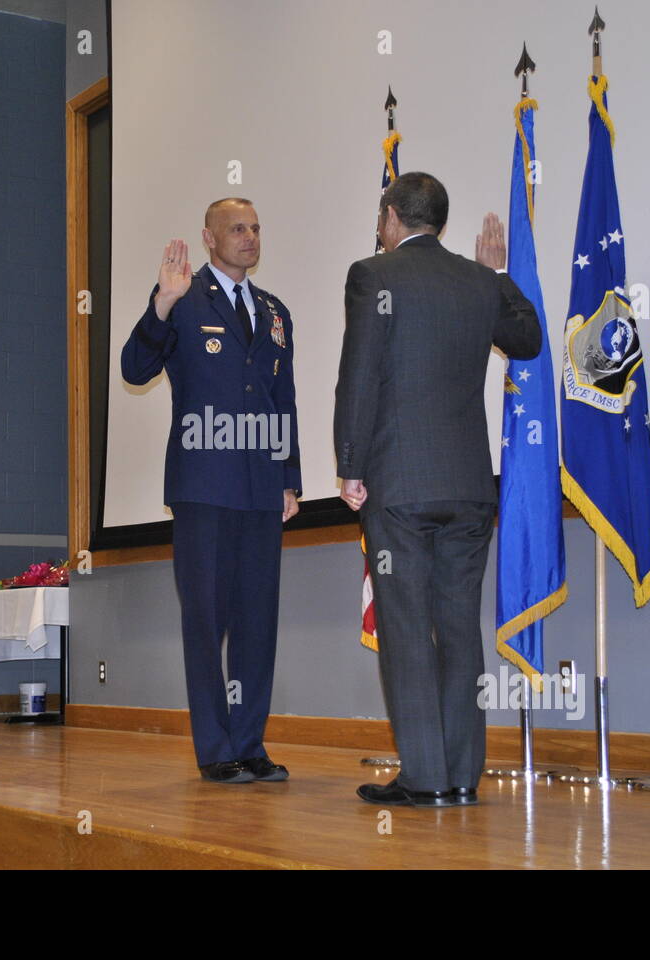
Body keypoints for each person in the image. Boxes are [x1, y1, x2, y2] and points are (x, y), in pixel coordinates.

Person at [334, 172, 540, 806]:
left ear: (393, 217)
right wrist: (496, 277)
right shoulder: (479, 283)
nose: (377, 227)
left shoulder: (374, 275)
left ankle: (424, 776)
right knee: (457, 629)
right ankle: (459, 778)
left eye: (380, 216)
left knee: (404, 628)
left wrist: (349, 462)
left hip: (401, 485)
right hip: (470, 490)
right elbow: (527, 340)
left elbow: (360, 376)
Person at [121, 198, 301, 784]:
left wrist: (290, 478)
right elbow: (134, 368)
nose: (250, 237)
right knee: (205, 619)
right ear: (208, 237)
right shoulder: (182, 298)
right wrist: (161, 304)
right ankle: (216, 748)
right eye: (237, 229)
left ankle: (249, 741)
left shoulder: (275, 312)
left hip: (259, 489)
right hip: (203, 485)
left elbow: (284, 401)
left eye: (255, 227)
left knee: (257, 620)